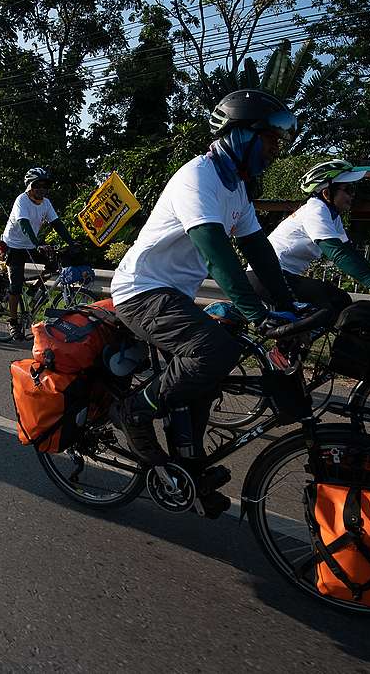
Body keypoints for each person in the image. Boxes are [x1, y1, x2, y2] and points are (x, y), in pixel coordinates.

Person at [109, 89, 301, 514]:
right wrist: (257, 315)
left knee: (207, 370)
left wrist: (289, 307)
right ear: (240, 135)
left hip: (173, 296)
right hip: (141, 290)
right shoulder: (198, 177)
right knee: (213, 349)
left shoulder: (236, 188)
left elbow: (260, 253)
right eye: (270, 139)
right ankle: (135, 409)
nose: (274, 150)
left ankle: (188, 463)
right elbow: (216, 250)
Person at [248, 159, 370, 323]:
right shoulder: (316, 210)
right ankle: (285, 348)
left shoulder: (332, 215)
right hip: (268, 276)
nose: (352, 195)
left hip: (282, 276)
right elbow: (336, 253)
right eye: (348, 189)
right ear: (326, 193)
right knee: (333, 303)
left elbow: (349, 252)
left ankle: (292, 346)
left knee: (339, 302)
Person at [0, 167, 76, 340]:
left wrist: (72, 242)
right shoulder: (22, 201)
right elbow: (24, 224)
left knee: (53, 265)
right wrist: (38, 243)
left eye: (45, 185)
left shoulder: (46, 203)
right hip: (14, 246)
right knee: (16, 286)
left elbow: (57, 224)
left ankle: (34, 291)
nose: (42, 189)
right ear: (30, 187)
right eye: (38, 185)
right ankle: (13, 322)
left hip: (31, 245)